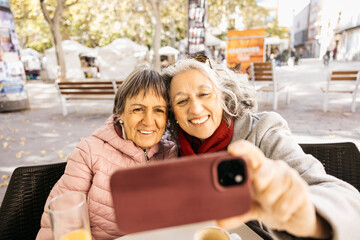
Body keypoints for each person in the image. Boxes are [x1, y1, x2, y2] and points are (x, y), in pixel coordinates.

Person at [162, 58, 360, 240]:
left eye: (204, 94)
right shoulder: (171, 149)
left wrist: (309, 216)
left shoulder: (263, 130)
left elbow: (348, 202)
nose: (195, 108)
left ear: (223, 96)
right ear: (174, 114)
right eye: (182, 101)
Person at [36, 66, 177, 240]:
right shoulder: (88, 152)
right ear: (121, 113)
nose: (148, 121)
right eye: (138, 109)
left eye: (159, 110)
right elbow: (58, 225)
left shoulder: (171, 153)